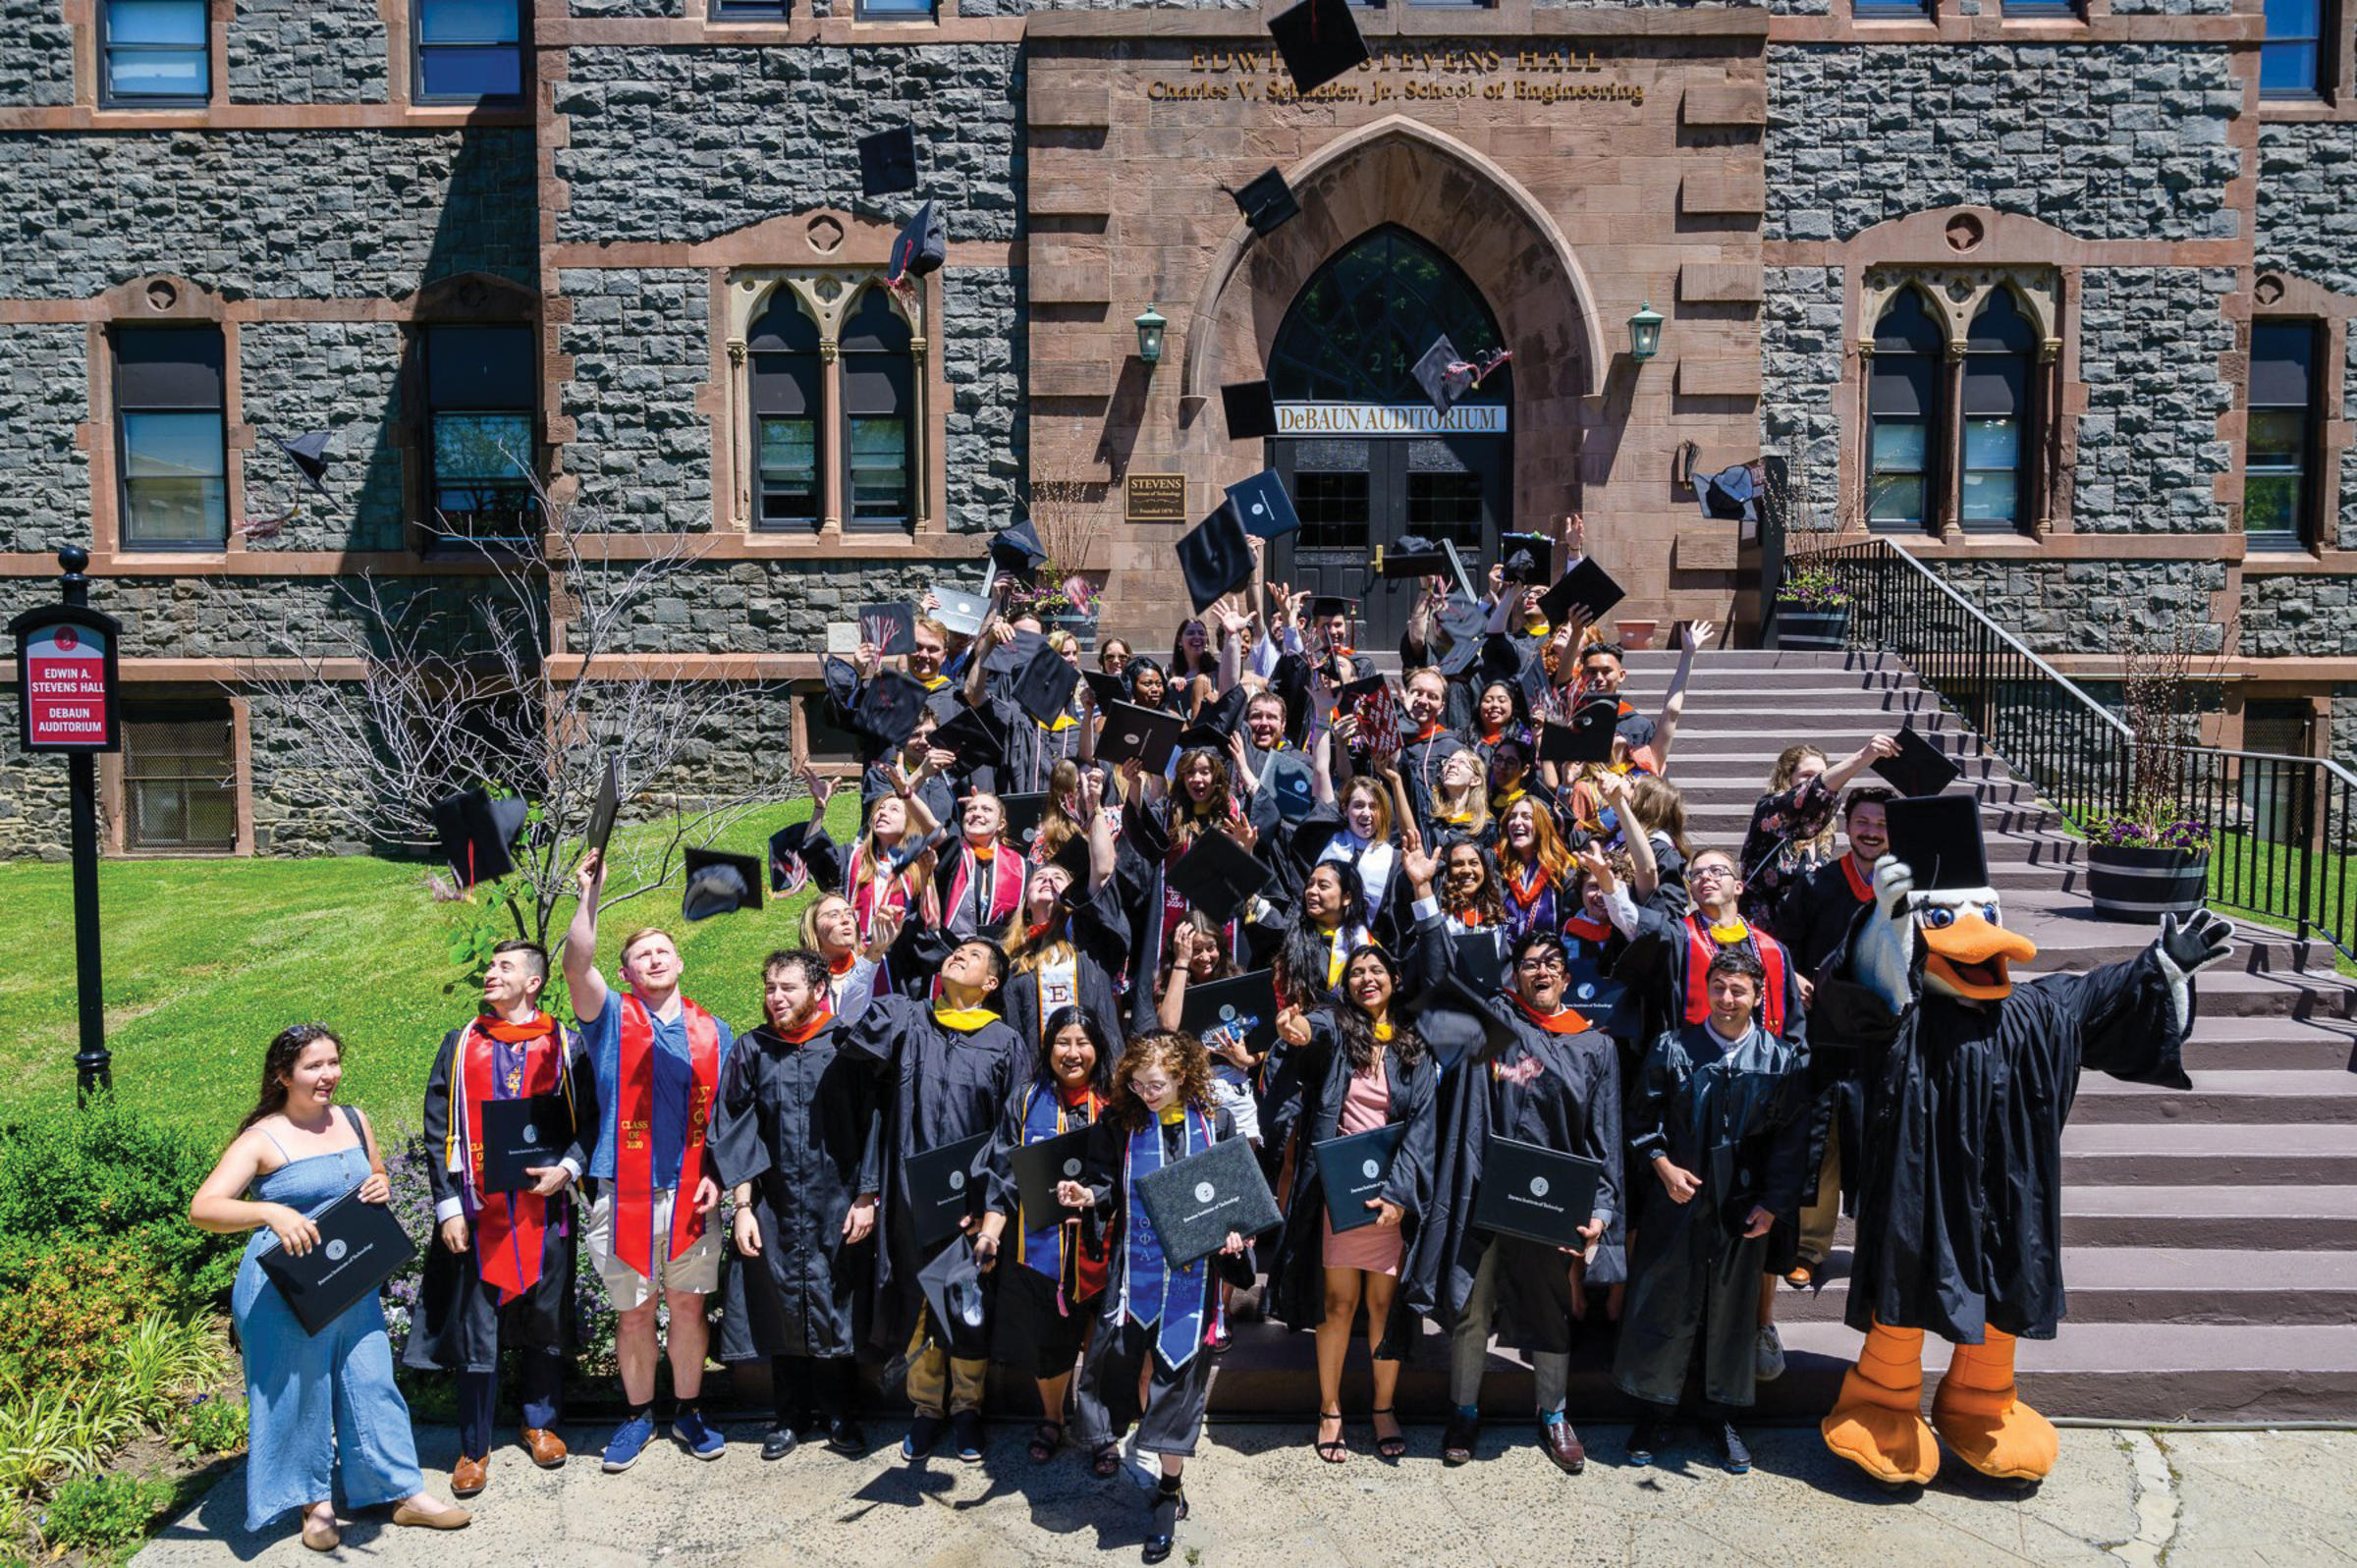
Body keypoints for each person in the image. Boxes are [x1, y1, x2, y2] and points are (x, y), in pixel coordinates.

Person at [192, 1024, 471, 1547]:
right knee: (299, 1393)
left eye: (333, 1063)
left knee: (371, 1383)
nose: (328, 1076)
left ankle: (401, 1492)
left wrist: (381, 1182)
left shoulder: (352, 1119)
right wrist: (269, 1211)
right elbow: (204, 1208)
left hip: (348, 1278)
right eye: (313, 1067)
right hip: (284, 1290)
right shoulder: (262, 1138)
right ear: (283, 1075)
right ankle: (313, 1504)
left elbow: (374, 1171)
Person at [1413, 929, 1622, 1477]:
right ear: (1516, 975)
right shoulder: (1494, 1032)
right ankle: (1463, 1411)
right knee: (1471, 1310)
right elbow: (1438, 995)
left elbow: (1606, 1135)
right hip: (1486, 1198)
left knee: (1551, 1313)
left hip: (1553, 1205)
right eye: (1530, 964)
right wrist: (1421, 897)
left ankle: (1553, 1413)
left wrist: (1602, 1208)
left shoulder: (1594, 1045)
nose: (1542, 971)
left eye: (1552, 963)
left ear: (1567, 977)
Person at [561, 849, 733, 1470]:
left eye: (664, 949)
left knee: (688, 1307)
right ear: (625, 972)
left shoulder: (716, 1032)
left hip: (692, 1194)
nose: (655, 957)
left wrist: (720, 1177)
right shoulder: (608, 1018)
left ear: (680, 961)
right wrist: (589, 897)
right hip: (624, 1193)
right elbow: (576, 964)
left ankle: (688, 1409)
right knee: (634, 1316)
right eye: (642, 954)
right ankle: (637, 1418)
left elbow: (726, 1122)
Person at [1060, 1030, 1256, 1565]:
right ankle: (1117, 1444)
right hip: (1135, 1274)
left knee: (1178, 1380)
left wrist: (1237, 1231)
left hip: (1194, 1278)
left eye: (1159, 1084)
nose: (1148, 1093)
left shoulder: (1214, 1123)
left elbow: (1235, 1197)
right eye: (1139, 1083)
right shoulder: (1120, 1124)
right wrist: (1087, 1194)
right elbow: (1104, 1185)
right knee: (1123, 1367)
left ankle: (1169, 1490)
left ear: (1184, 1077)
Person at [404, 941, 588, 1498]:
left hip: (546, 1208)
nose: (490, 973)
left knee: (545, 1317)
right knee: (476, 1328)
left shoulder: (567, 1045)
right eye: (490, 966)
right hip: (480, 1213)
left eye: (504, 967)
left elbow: (593, 1120)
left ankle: (540, 1423)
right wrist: (448, 1206)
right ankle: (473, 1445)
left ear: (533, 982)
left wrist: (570, 1168)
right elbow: (438, 1129)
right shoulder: (462, 1045)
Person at [1617, 946, 1810, 1475]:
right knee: (1665, 1303)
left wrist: (1773, 1206)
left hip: (1741, 1210)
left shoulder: (1780, 1059)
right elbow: (1640, 1117)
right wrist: (1662, 1166)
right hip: (1677, 1201)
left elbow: (1793, 1144)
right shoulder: (1674, 1047)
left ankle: (1721, 1415)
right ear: (1707, 990)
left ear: (1757, 995)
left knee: (1730, 1310)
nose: (1727, 999)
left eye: (1738, 989)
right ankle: (1655, 1412)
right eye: (1719, 987)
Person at [841, 934, 1023, 1465]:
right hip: (906, 1190)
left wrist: (990, 1205)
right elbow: (851, 1028)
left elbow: (1009, 1132)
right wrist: (873, 955)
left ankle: (967, 1408)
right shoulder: (908, 1019)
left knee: (967, 1304)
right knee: (919, 1298)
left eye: (973, 955)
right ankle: (926, 1409)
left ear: (991, 983)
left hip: (971, 1201)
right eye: (955, 950)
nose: (958, 955)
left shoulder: (1005, 1041)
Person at [1265, 945, 1437, 1466]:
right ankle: (1331, 1408)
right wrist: (1298, 1031)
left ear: (1394, 979)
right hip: (1340, 1193)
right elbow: (1312, 1032)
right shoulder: (1339, 1030)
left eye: (1376, 970)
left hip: (1391, 1198)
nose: (1366, 978)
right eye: (1357, 971)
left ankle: (1383, 1408)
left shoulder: (1413, 1045)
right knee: (1338, 1306)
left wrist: (1401, 1195)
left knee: (1383, 1306)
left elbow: (1424, 1124)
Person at [714, 949, 880, 1462]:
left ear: (817, 990)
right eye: (769, 988)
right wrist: (742, 1205)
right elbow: (734, 1126)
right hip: (774, 1202)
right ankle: (789, 1415)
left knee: (836, 1303)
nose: (776, 997)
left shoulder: (847, 1046)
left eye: (787, 987)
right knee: (781, 1301)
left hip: (837, 1199)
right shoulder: (752, 1049)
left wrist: (867, 1195)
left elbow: (876, 1122)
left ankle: (841, 1413)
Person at [974, 1005, 1116, 1467]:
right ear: (1047, 1047)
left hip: (1104, 1245)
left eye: (1082, 1042)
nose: (1072, 1053)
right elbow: (1003, 1173)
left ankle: (1100, 1430)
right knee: (1048, 1343)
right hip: (1042, 1251)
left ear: (1098, 1047)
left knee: (1102, 1347)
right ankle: (1053, 1417)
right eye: (1062, 1042)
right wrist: (991, 1235)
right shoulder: (1025, 1099)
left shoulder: (1117, 1099)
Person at [1781, 784, 1893, 1287]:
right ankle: (1810, 1246)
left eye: (1882, 825)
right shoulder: (1817, 884)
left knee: (1881, 1144)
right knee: (1820, 1146)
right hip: (1825, 1036)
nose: (1871, 832)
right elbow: (1781, 945)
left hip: (1885, 1040)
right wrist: (1795, 976)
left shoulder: (1908, 892)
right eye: (1863, 822)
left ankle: (1881, 1244)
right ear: (1847, 826)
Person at [1736, 735, 1899, 933]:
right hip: (1763, 934)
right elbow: (1807, 797)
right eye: (1807, 775)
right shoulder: (1771, 810)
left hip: (1802, 932)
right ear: (1787, 778)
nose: (1814, 780)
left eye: (1822, 774)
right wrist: (1863, 757)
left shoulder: (1824, 831)